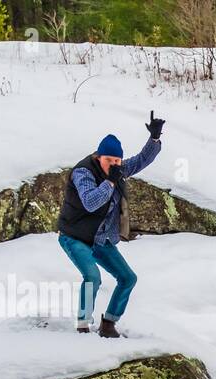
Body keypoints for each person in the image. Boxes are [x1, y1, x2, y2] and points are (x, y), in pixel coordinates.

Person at [57, 111, 165, 337]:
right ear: (99, 157)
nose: (114, 165)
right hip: (74, 237)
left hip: (100, 239)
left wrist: (154, 138)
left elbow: (142, 160)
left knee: (128, 278)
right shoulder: (83, 172)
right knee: (93, 277)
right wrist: (110, 182)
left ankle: (108, 324)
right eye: (109, 161)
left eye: (117, 161)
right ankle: (83, 325)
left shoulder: (118, 170)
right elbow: (91, 202)